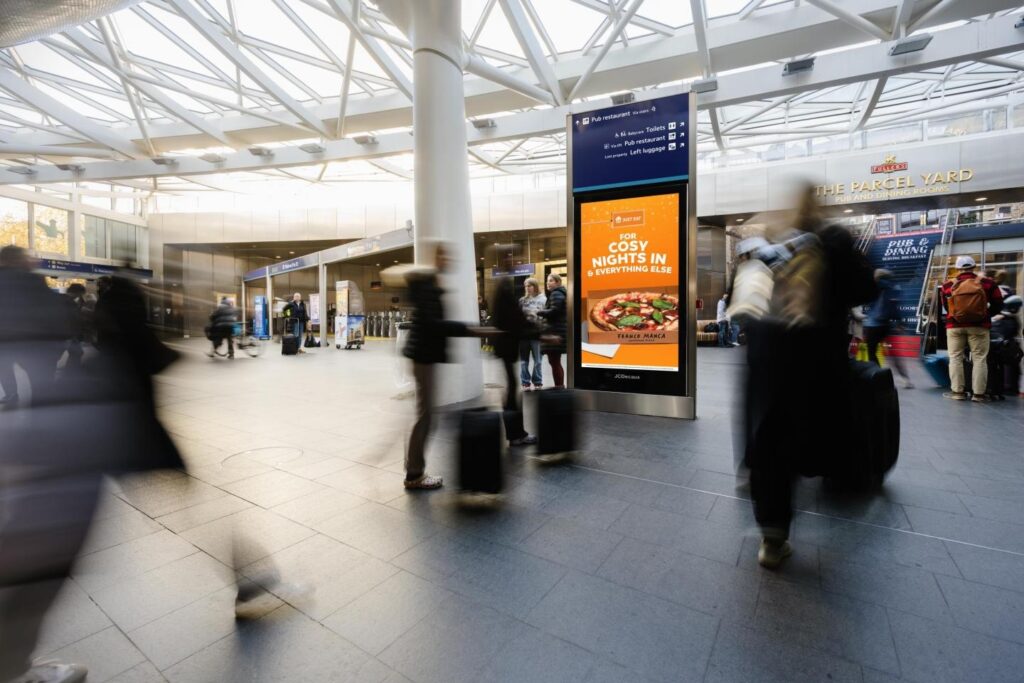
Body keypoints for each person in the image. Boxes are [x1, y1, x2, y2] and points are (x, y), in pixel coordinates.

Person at [744, 185, 877, 569]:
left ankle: (772, 536)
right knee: (814, 432)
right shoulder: (833, 238)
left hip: (768, 357)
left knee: (770, 444)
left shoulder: (765, 240)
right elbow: (862, 285)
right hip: (817, 358)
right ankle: (831, 477)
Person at [400, 243, 485, 489]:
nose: (448, 260)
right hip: (423, 357)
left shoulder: (431, 284)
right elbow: (433, 324)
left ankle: (413, 469)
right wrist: (468, 329)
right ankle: (414, 474)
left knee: (425, 415)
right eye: (444, 255)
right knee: (426, 416)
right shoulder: (428, 285)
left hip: (425, 356)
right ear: (435, 258)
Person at [489, 246, 540, 446]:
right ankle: (516, 435)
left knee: (511, 389)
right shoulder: (503, 286)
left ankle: (516, 434)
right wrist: (540, 333)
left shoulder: (502, 284)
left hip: (505, 345)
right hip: (507, 345)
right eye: (510, 256)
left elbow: (514, 319)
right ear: (502, 259)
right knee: (511, 391)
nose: (515, 260)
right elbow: (514, 320)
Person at [940, 256, 1003, 401]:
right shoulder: (988, 283)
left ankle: (958, 393)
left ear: (957, 269)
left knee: (955, 358)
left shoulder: (947, 285)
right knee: (979, 359)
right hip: (980, 326)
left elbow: (946, 307)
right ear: (974, 267)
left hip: (954, 326)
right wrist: (985, 315)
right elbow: (999, 304)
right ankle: (978, 395)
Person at [863, 269, 913, 389]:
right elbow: (895, 307)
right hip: (887, 325)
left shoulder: (871, 288)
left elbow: (866, 303)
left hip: (872, 325)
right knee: (894, 353)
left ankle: (878, 377)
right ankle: (905, 379)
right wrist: (900, 322)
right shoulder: (893, 288)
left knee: (871, 352)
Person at [537, 273, 567, 389]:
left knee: (554, 361)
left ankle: (559, 387)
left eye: (550, 281)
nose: (547, 283)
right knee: (555, 361)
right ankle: (559, 386)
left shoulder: (556, 294)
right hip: (558, 330)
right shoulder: (560, 293)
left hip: (555, 331)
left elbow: (555, 311)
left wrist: (540, 312)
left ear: (558, 282)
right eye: (547, 281)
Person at [989, 295, 1022, 400]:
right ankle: (1009, 387)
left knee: (998, 366)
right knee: (1008, 365)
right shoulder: (1011, 319)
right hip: (1007, 348)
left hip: (999, 347)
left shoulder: (999, 317)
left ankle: (1002, 387)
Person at [518, 278, 547, 391]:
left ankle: (537, 381)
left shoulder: (543, 299)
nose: (527, 288)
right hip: (524, 334)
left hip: (537, 334)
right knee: (524, 361)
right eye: (526, 286)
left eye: (530, 286)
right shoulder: (522, 300)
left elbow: (546, 316)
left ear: (535, 286)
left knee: (538, 361)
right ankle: (525, 382)